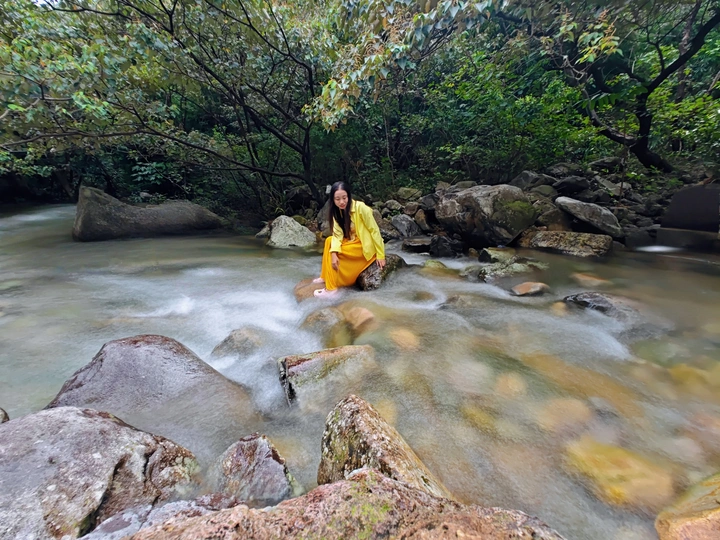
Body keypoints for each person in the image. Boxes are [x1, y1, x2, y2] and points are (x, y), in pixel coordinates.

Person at [313, 181, 386, 298]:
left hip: (363, 244)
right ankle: (325, 276)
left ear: (349, 196)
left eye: (344, 198)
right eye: (337, 199)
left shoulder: (361, 208)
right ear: (333, 200)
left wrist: (380, 255)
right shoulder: (336, 212)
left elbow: (374, 231)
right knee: (329, 241)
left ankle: (331, 289)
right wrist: (333, 253)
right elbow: (337, 235)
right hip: (352, 241)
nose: (341, 202)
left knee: (337, 250)